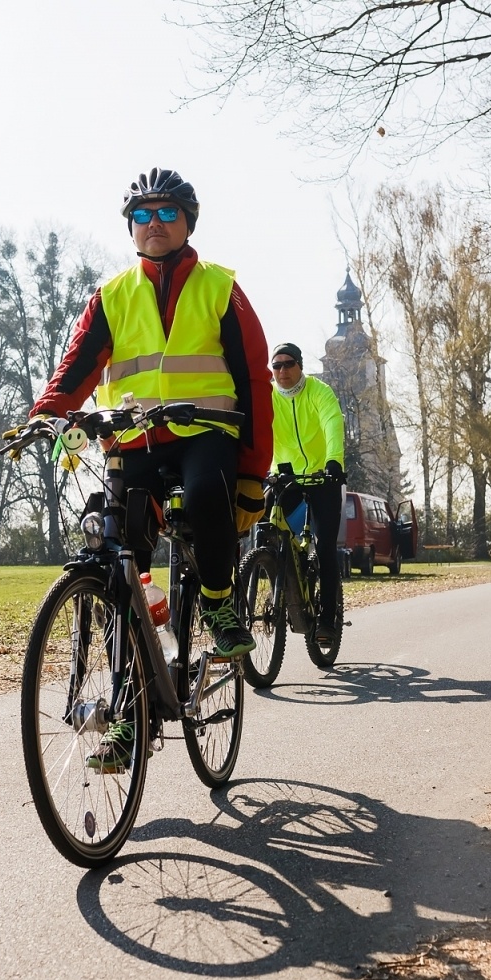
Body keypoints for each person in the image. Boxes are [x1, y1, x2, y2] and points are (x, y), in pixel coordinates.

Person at [29, 168, 273, 770]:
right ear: (131, 229)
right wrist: (45, 414)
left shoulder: (221, 288)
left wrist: (252, 471)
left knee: (207, 496)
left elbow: (253, 381)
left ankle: (217, 600)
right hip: (133, 440)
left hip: (204, 433)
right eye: (142, 216)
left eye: (166, 213)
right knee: (122, 570)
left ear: (188, 222)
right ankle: (128, 716)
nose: (154, 224)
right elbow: (79, 364)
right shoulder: (111, 295)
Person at [267, 342, 346, 646]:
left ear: (300, 365)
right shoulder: (269, 398)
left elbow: (331, 424)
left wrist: (333, 462)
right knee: (272, 532)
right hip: (286, 477)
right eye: (276, 366)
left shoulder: (319, 391)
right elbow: (260, 431)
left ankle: (326, 621)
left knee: (325, 547)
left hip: (323, 477)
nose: (282, 371)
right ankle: (281, 579)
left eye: (288, 364)